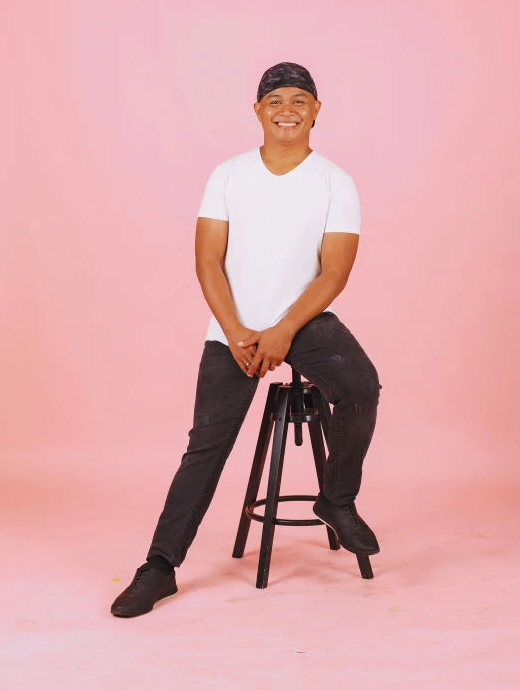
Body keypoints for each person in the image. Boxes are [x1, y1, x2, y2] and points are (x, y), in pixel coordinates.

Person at [111, 61, 383, 618]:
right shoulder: (228, 174)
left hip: (303, 321)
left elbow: (334, 273)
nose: (288, 110)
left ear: (316, 111)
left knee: (360, 386)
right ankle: (159, 568)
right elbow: (207, 259)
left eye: (300, 100)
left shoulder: (336, 181)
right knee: (205, 447)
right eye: (276, 100)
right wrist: (237, 332)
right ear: (258, 109)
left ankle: (337, 499)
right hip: (233, 326)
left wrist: (283, 330)